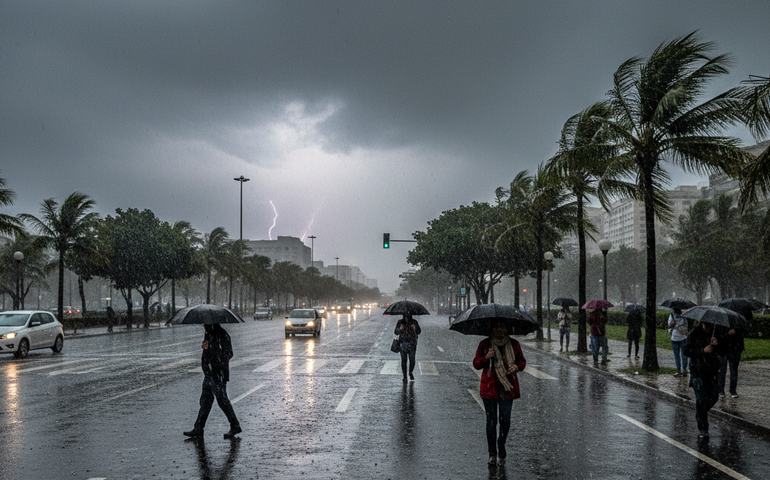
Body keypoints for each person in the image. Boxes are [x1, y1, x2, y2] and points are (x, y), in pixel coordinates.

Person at [473, 320, 526, 466]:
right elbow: (476, 363)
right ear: (492, 329)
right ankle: (492, 453)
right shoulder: (485, 344)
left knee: (506, 420)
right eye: (496, 327)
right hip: (489, 388)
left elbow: (522, 362)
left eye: (502, 327)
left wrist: (516, 367)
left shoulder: (514, 344)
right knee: (491, 422)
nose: (500, 330)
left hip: (507, 388)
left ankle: (501, 442)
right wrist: (486, 357)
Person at [184, 324, 241, 439]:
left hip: (218, 374)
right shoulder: (208, 334)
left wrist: (214, 351)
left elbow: (229, 353)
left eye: (206, 324)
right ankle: (198, 428)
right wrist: (205, 352)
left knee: (222, 401)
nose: (204, 326)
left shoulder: (222, 334)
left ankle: (235, 425)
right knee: (205, 401)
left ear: (212, 323)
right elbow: (206, 354)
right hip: (209, 374)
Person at [683, 321, 723, 439]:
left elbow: (723, 351)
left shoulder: (716, 334)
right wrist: (702, 351)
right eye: (705, 325)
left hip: (712, 372)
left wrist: (718, 344)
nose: (707, 327)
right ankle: (703, 428)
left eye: (709, 325)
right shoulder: (694, 334)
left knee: (714, 396)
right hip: (698, 372)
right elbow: (687, 351)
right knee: (701, 399)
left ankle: (701, 413)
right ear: (701, 323)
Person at [717, 326, 745, 398]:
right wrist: (727, 334)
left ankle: (733, 389)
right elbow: (718, 333)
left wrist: (736, 331)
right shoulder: (720, 323)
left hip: (735, 349)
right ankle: (721, 389)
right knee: (722, 371)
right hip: (722, 349)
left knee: (734, 370)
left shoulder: (738, 324)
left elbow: (744, 332)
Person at [395, 313, 421, 381]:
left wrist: (415, 328)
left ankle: (410, 372)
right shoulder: (400, 322)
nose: (406, 316)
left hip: (412, 343)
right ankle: (405, 376)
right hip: (403, 343)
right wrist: (400, 329)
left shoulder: (414, 322)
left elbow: (419, 331)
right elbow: (396, 332)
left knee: (412, 360)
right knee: (404, 360)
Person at [669, 308, 689, 377]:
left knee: (683, 354)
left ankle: (684, 370)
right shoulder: (672, 315)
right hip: (675, 338)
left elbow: (686, 325)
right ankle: (679, 370)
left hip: (682, 338)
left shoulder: (684, 315)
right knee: (677, 355)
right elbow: (669, 325)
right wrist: (672, 324)